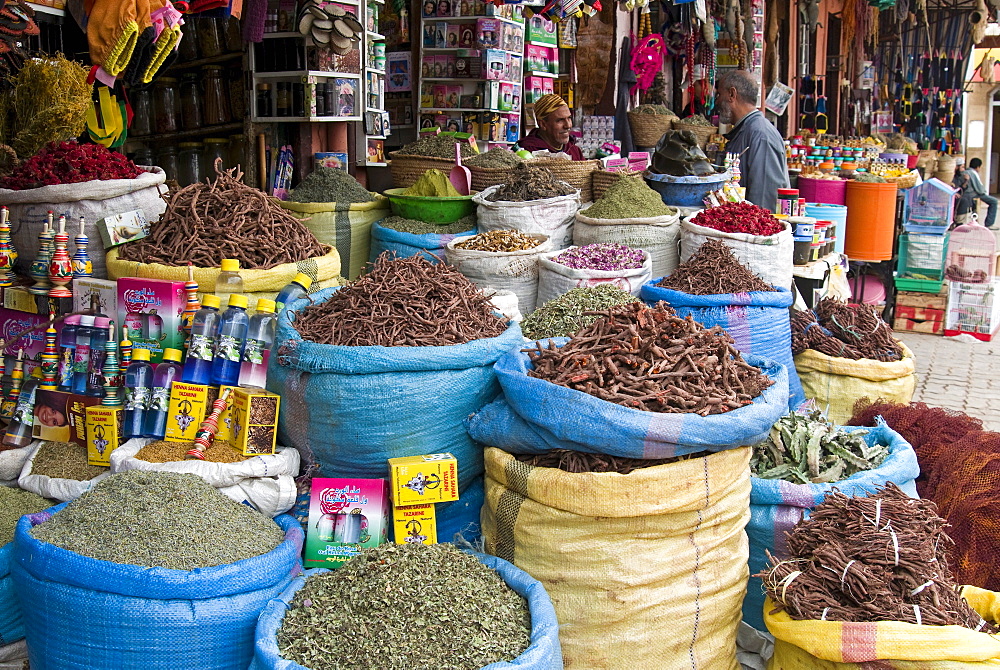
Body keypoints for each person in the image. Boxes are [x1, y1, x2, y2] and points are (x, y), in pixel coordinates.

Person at [715, 70, 790, 212]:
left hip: (755, 231)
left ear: (732, 94)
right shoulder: (747, 130)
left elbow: (764, 202)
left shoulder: (761, 134)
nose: (717, 101)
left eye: (719, 94)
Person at [516, 93, 584, 160]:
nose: (568, 125)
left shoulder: (575, 151)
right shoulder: (526, 150)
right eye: (560, 120)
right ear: (543, 124)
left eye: (569, 118)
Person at [961, 158, 997, 228]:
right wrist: (984, 192)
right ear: (978, 167)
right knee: (994, 201)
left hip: (969, 194)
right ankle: (989, 223)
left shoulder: (967, 172)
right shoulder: (973, 173)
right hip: (973, 194)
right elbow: (979, 188)